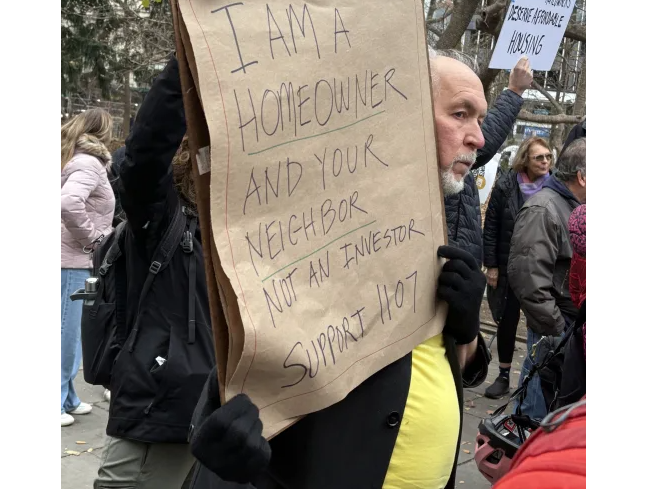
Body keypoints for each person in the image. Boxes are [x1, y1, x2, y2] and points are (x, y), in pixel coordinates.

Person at [187, 54, 533, 489]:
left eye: (480, 119)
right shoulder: (324, 216)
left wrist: (464, 329)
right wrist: (216, 423)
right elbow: (252, 336)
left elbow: (456, 363)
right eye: (460, 114)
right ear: (399, 114)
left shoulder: (452, 206)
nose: (479, 138)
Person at [94, 57, 214, 489]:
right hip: (157, 413)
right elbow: (145, 153)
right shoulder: (161, 219)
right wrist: (191, 55)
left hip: (214, 421)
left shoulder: (238, 231)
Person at [507, 138, 586, 421]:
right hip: (554, 329)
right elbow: (527, 278)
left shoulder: (573, 206)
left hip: (568, 328)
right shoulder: (543, 209)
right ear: (582, 177)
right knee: (535, 412)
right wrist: (555, 329)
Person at [482, 136, 554, 399]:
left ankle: (535, 382)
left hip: (543, 270)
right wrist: (491, 265)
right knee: (507, 321)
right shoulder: (506, 186)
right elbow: (491, 226)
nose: (545, 161)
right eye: (539, 157)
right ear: (525, 159)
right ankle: (502, 376)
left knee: (542, 323)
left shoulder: (556, 187)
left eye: (548, 156)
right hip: (509, 267)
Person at [61, 108, 115, 427]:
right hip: (75, 261)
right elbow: (68, 203)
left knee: (70, 331)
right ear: (102, 132)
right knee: (68, 333)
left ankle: (67, 397)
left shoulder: (73, 157)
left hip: (70, 259)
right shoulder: (89, 162)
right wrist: (94, 240)